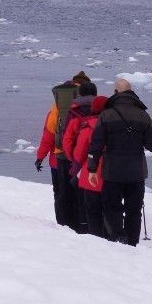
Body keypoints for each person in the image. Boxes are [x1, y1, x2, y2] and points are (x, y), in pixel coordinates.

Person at [84, 79, 152, 245]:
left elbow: (96, 144)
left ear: (115, 92)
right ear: (131, 92)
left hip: (112, 171)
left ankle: (118, 237)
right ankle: (132, 243)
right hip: (136, 172)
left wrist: (92, 168)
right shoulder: (143, 115)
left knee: (112, 207)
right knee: (134, 210)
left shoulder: (106, 114)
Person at [36, 73, 94, 232]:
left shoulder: (57, 107)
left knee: (61, 193)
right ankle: (84, 225)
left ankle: (63, 225)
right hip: (84, 159)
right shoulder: (92, 105)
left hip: (58, 158)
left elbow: (48, 134)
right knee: (81, 192)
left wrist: (40, 156)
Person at [62, 89, 110, 237]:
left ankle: (96, 238)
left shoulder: (89, 126)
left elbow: (79, 150)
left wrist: (74, 161)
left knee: (92, 210)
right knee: (111, 208)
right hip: (114, 174)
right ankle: (111, 235)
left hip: (91, 174)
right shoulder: (115, 125)